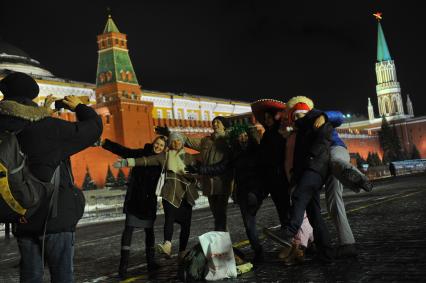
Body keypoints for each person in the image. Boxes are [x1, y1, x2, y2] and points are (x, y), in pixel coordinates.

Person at [0, 72, 102, 282]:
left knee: (30, 277)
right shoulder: (47, 128)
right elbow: (93, 129)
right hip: (54, 218)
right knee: (62, 276)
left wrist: (44, 112)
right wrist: (79, 107)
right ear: (31, 97)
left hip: (21, 215)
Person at [114, 132, 199, 262]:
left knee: (186, 225)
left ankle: (182, 251)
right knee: (169, 218)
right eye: (173, 141)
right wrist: (127, 162)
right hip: (169, 193)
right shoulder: (165, 156)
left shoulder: (189, 157)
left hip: (186, 195)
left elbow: (200, 168)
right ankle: (167, 245)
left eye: (178, 141)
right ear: (170, 144)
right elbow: (146, 160)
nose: (176, 143)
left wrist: (194, 173)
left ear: (182, 143)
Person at [187, 124, 266, 265]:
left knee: (249, 221)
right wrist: (199, 168)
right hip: (243, 193)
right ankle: (258, 251)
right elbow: (220, 167)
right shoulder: (234, 154)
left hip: (254, 191)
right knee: (249, 225)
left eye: (245, 135)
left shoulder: (258, 150)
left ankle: (293, 243)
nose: (243, 138)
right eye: (240, 135)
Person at [272, 97, 335, 262]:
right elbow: (298, 157)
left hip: (315, 169)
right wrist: (295, 176)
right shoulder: (300, 131)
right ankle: (326, 252)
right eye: (295, 118)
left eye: (300, 116)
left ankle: (289, 232)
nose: (297, 120)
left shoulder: (319, 121)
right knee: (314, 214)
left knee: (299, 196)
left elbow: (323, 140)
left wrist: (310, 158)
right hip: (307, 171)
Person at [101, 136, 167, 277]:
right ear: (153, 143)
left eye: (162, 145)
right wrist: (105, 143)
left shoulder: (162, 160)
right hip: (135, 198)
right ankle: (123, 267)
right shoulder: (139, 153)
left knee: (149, 232)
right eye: (157, 143)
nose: (158, 147)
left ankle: (151, 262)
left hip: (149, 201)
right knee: (128, 230)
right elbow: (123, 150)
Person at [157, 116, 233, 232]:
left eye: (218, 122)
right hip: (208, 184)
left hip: (222, 182)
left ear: (224, 125)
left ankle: (224, 243)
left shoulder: (229, 140)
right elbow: (187, 140)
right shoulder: (205, 141)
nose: (215, 124)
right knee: (216, 215)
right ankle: (223, 242)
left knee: (221, 215)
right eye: (214, 122)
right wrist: (170, 133)